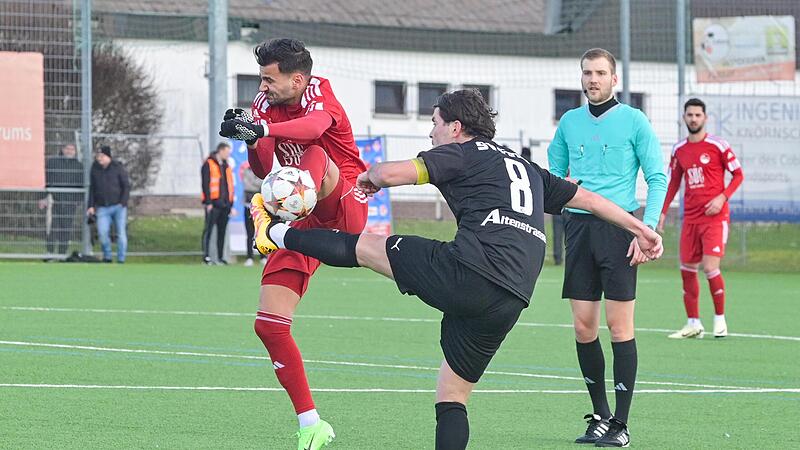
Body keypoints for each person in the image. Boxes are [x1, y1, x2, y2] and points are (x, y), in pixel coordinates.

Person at [247, 89, 663, 450]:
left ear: (455, 127)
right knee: (452, 396)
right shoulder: (526, 168)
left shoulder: (461, 153)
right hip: (513, 297)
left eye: (434, 123)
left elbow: (390, 172)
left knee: (366, 248)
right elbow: (589, 200)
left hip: (470, 269)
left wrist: (371, 179)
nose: (431, 132)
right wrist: (641, 228)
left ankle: (277, 233)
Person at [218, 38, 368, 449]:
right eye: (260, 78)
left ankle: (270, 217)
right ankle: (311, 424)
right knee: (268, 325)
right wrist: (252, 139)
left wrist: (260, 126)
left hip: (342, 203)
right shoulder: (264, 103)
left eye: (269, 79)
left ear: (297, 79)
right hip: (299, 212)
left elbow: (315, 130)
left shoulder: (320, 90)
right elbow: (266, 167)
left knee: (315, 154)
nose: (262, 87)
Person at [547, 48, 667, 447]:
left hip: (619, 233)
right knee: (583, 327)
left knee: (619, 327)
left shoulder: (634, 121)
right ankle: (599, 415)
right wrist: (563, 194)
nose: (592, 79)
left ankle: (622, 424)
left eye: (600, 73)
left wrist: (644, 229)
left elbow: (657, 177)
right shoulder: (569, 122)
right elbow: (553, 176)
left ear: (614, 79)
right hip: (579, 232)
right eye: (587, 73)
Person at [658, 98, 744, 339]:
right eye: (690, 115)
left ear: (705, 118)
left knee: (709, 267)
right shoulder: (679, 150)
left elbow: (738, 174)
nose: (694, 119)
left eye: (698, 115)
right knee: (686, 268)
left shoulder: (718, 145)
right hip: (691, 219)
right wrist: (663, 211)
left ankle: (720, 320)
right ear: (684, 118)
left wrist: (722, 198)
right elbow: (673, 182)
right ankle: (693, 323)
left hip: (715, 219)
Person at [39, 143, 84, 258]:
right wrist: (43, 197)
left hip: (70, 202)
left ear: (75, 151)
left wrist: (78, 200)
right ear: (62, 150)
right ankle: (49, 253)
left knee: (66, 228)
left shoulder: (78, 166)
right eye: (67, 149)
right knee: (52, 227)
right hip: (54, 200)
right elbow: (44, 180)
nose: (70, 151)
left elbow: (81, 184)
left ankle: (62, 254)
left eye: (72, 149)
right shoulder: (52, 162)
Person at [521, 146, 565, 265]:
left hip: (525, 210)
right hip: (561, 202)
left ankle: (557, 257)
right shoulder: (534, 169)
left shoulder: (523, 166)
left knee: (556, 232)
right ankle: (562, 258)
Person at [87, 145, 130, 263]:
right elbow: (92, 188)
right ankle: (107, 256)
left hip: (118, 207)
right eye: (98, 156)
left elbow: (126, 186)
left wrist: (123, 202)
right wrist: (90, 206)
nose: (99, 158)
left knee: (121, 233)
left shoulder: (118, 167)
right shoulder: (95, 168)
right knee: (102, 233)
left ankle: (121, 259)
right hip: (102, 208)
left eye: (102, 156)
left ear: (108, 156)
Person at [201, 142, 235, 265]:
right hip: (213, 204)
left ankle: (220, 257)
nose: (228, 155)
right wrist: (208, 202)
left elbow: (229, 186)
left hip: (225, 205)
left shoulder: (226, 166)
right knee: (209, 230)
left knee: (222, 231)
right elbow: (205, 184)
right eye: (227, 152)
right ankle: (206, 257)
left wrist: (230, 205)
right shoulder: (208, 164)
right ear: (220, 151)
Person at [241, 162, 265, 266]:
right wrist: (256, 183)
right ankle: (249, 257)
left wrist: (254, 182)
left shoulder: (263, 172)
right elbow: (247, 185)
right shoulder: (247, 171)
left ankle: (263, 256)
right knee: (249, 232)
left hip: (260, 207)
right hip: (248, 205)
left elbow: (263, 183)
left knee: (261, 232)